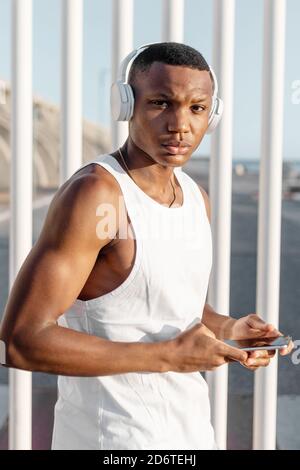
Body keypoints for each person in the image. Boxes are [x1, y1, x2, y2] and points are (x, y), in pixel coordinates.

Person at [0, 42, 293, 450]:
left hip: (191, 435)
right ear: (126, 105)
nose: (180, 124)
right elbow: (20, 340)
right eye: (161, 102)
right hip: (110, 442)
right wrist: (168, 355)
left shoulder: (195, 196)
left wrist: (228, 329)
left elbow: (171, 305)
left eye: (196, 108)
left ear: (213, 114)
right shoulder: (96, 195)